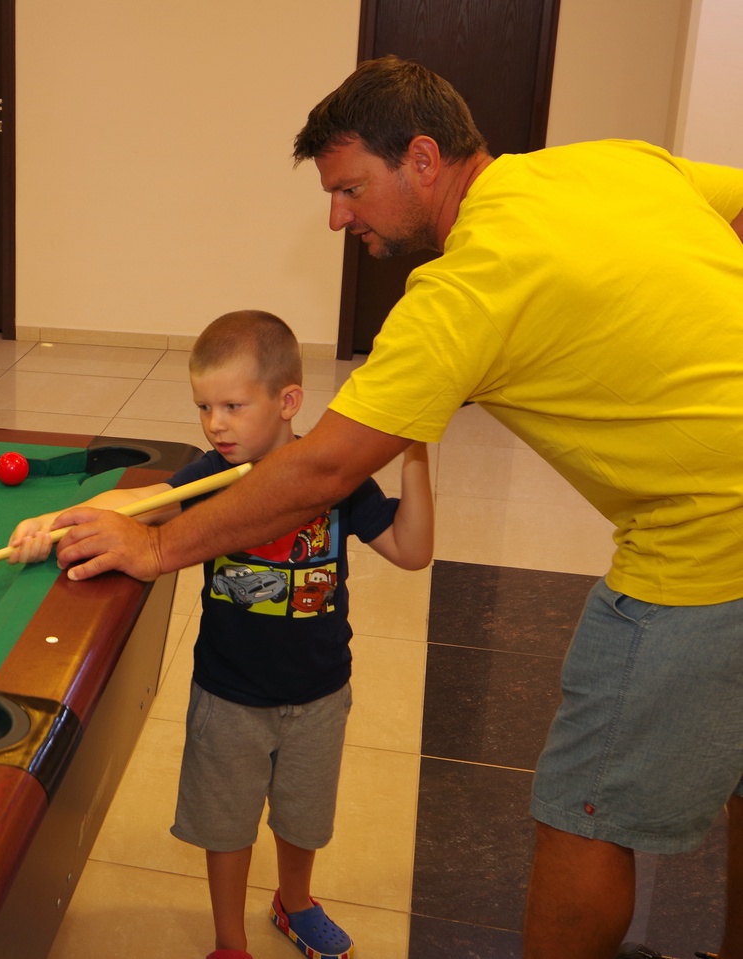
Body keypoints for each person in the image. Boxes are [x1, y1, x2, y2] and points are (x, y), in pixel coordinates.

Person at [45, 56, 743, 959]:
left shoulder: (465, 288)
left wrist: (154, 546)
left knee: (587, 812)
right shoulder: (608, 163)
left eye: (350, 189)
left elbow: (321, 469)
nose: (338, 216)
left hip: (705, 547)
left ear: (421, 158)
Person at [8, 310, 434, 959]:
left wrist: (416, 451)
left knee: (303, 817)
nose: (216, 424)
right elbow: (138, 504)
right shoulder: (211, 476)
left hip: (321, 692)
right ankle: (229, 941)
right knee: (227, 825)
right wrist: (54, 520)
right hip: (229, 692)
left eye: (233, 406)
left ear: (288, 401)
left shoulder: (334, 478)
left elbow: (411, 549)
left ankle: (296, 902)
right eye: (204, 407)